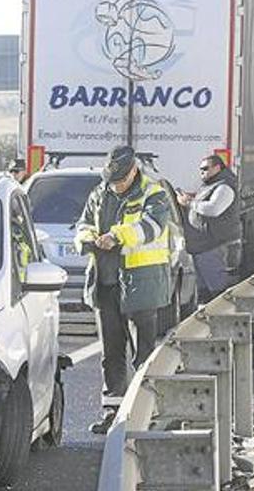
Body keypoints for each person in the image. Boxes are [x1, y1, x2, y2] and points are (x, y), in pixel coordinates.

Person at [75, 145, 172, 434]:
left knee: (143, 354)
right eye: (112, 181)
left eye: (121, 180)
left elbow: (152, 227)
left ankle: (146, 413)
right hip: (105, 284)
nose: (116, 186)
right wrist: (86, 238)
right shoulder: (99, 192)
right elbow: (82, 223)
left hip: (141, 285)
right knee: (111, 353)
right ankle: (113, 412)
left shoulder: (153, 193)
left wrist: (116, 236)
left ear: (133, 171)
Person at [177, 154, 241, 303]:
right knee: (205, 294)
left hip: (214, 246)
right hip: (203, 247)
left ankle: (223, 321)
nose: (202, 173)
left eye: (205, 169)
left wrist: (189, 203)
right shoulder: (211, 185)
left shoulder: (224, 186)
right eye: (200, 170)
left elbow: (214, 209)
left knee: (218, 294)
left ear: (217, 167)